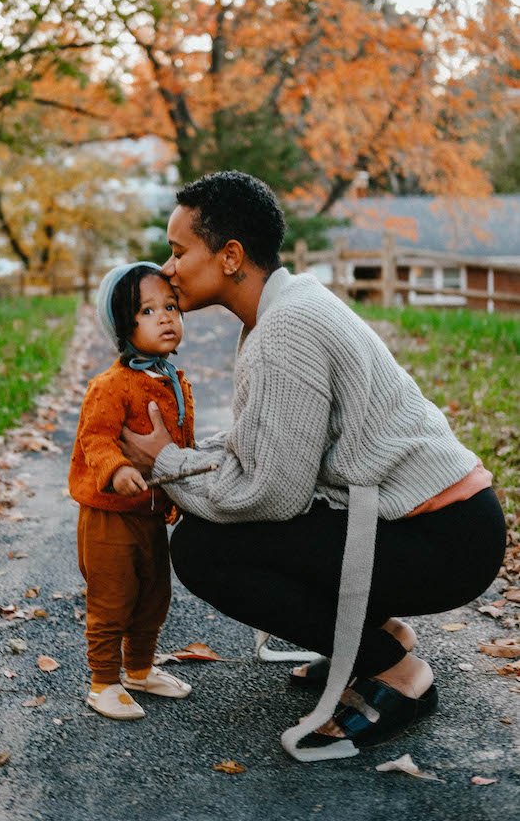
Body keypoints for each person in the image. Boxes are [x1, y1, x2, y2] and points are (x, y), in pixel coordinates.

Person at [118, 172, 506, 761]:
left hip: (445, 537)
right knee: (225, 532)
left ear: (229, 256)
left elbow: (273, 495)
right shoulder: (287, 309)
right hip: (442, 524)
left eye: (178, 252)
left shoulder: (284, 329)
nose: (167, 269)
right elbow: (266, 449)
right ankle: (376, 636)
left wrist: (166, 463)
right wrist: (181, 459)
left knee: (203, 550)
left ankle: (397, 672)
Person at [68, 262, 194, 720]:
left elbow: (180, 444)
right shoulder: (110, 385)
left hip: (149, 513)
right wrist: (116, 469)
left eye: (172, 306)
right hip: (109, 514)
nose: (166, 317)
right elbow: (95, 438)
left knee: (154, 594)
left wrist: (182, 492)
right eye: (148, 310)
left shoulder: (172, 381)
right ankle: (103, 680)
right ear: (123, 324)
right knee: (113, 598)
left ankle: (139, 668)